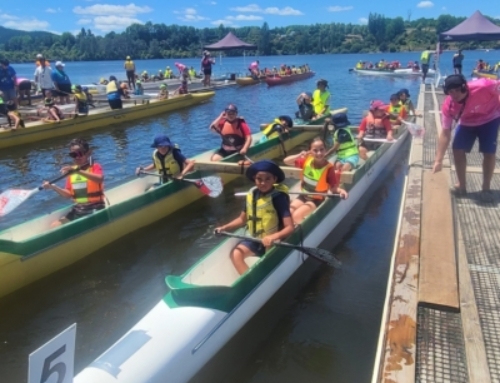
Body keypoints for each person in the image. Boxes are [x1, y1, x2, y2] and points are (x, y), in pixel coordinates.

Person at [214, 160, 294, 275]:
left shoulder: (278, 198)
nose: (263, 183)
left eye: (268, 179)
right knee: (236, 254)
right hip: (254, 239)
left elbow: (289, 227)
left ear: (274, 179)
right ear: (254, 179)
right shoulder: (251, 195)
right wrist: (224, 227)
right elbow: (242, 219)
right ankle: (248, 281)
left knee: (266, 264)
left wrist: (273, 237)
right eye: (259, 179)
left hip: (272, 241)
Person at [433, 75, 500, 202]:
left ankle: (486, 188)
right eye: (450, 92)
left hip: (491, 118)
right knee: (457, 149)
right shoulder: (449, 105)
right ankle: (461, 185)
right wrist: (438, 160)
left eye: (457, 90)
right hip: (467, 122)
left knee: (489, 152)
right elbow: (445, 132)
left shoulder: (484, 86)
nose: (454, 94)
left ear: (465, 87)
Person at [42, 138, 105, 227]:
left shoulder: (95, 166)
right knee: (54, 225)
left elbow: (100, 179)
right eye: (73, 154)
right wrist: (54, 187)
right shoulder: (72, 172)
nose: (77, 157)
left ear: (88, 153)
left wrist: (77, 171)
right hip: (79, 208)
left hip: (96, 206)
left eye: (79, 153)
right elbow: (68, 195)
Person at [288, 137, 348, 224]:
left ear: (325, 150)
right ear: (310, 151)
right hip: (304, 195)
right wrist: (299, 154)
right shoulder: (306, 160)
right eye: (315, 150)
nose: (319, 153)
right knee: (289, 212)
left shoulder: (329, 168)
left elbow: (333, 188)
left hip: (316, 200)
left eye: (322, 149)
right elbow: (286, 161)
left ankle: (303, 235)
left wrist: (341, 190)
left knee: (296, 216)